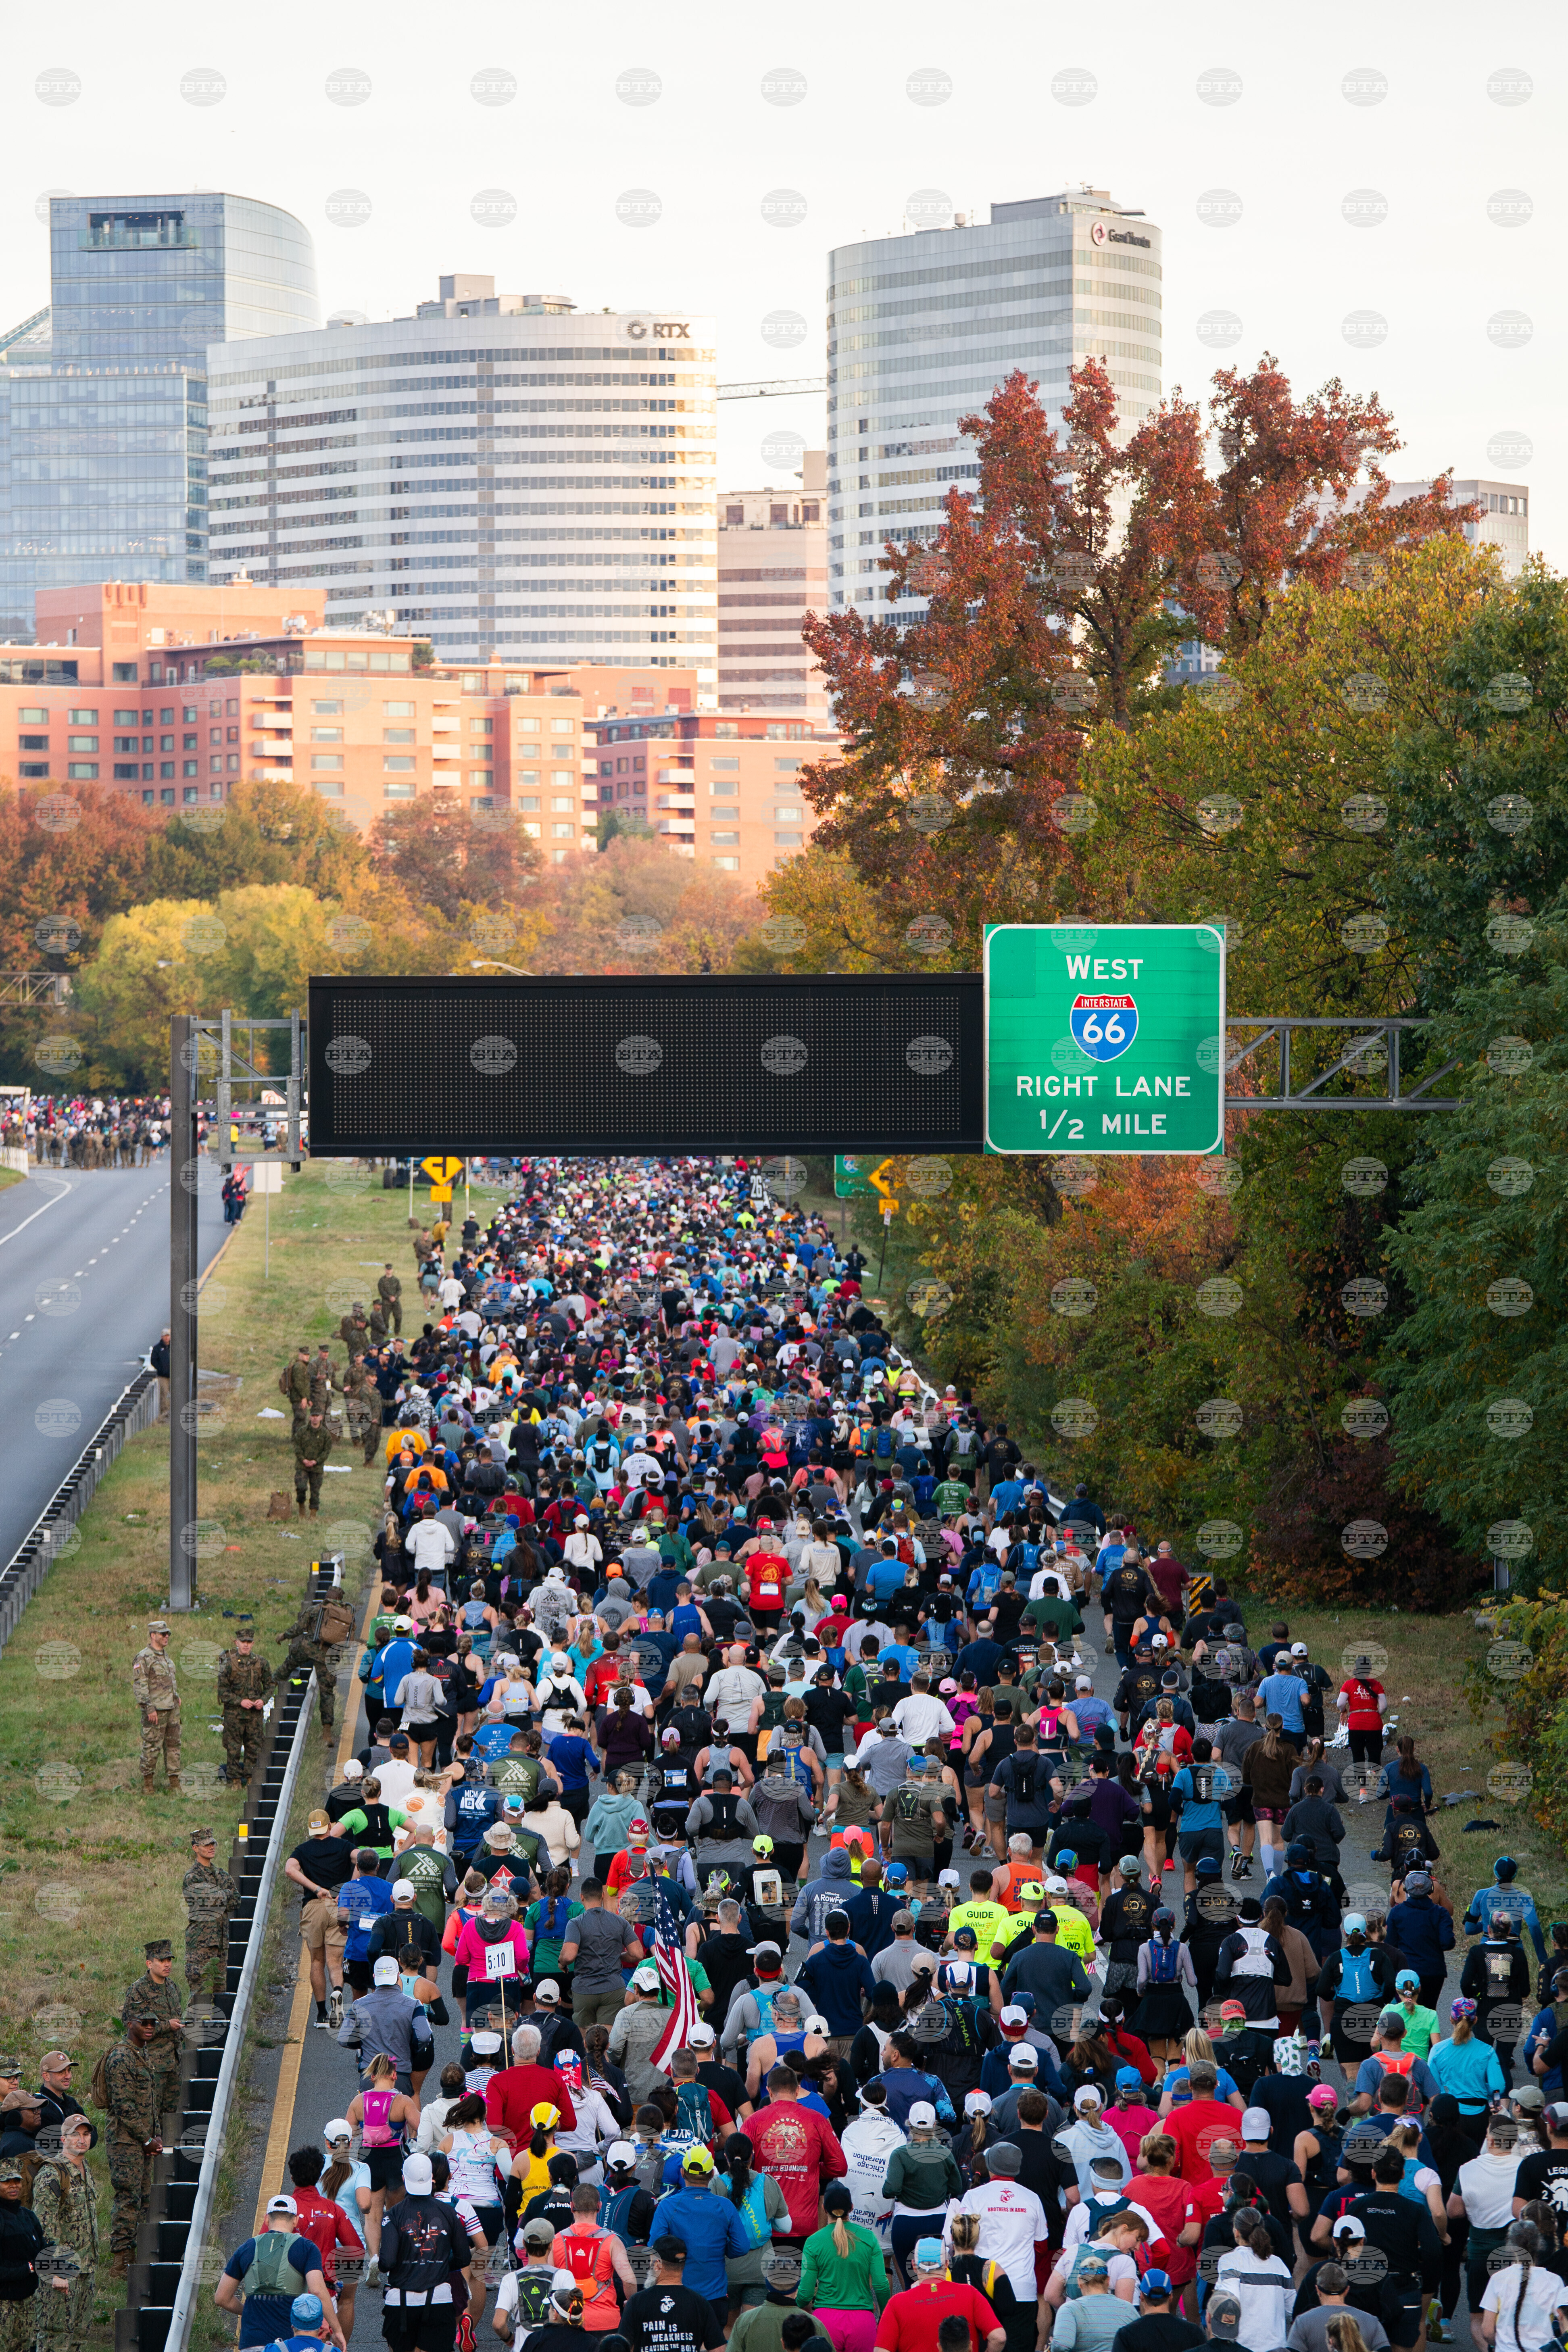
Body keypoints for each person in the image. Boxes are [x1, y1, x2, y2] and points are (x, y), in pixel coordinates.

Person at [377, 2150, 477, 2352]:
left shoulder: (393, 2215)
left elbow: (386, 2262)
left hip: (401, 2301)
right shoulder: (449, 2212)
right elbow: (464, 2257)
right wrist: (440, 2263)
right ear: (432, 2179)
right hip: (439, 2297)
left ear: (404, 2179)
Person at [215, 2196, 343, 2350]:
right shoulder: (307, 2248)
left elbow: (222, 2297)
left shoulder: (247, 2248)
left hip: (253, 2340)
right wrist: (337, 2330)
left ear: (267, 2219)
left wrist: (248, 2312)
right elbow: (318, 2291)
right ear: (296, 2221)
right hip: (288, 2343)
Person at [798, 2178, 892, 2352]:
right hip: (863, 2322)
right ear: (851, 2208)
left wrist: (802, 2306)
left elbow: (805, 2292)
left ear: (824, 2208)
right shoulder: (869, 2239)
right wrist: (885, 2315)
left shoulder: (813, 2242)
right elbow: (881, 2284)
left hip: (825, 2320)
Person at [31, 2113, 98, 2352]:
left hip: (86, 2269)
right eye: (75, 2135)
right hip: (62, 2273)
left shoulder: (85, 2169)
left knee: (79, 2338)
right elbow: (43, 2225)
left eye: (86, 2134)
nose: (82, 2140)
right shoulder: (52, 2173)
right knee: (54, 2338)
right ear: (63, 2139)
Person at [874, 2237, 1004, 2352]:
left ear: (914, 2265)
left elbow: (881, 2350)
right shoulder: (970, 2293)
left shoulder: (897, 2303)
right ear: (947, 2264)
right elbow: (999, 2338)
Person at [621, 2236, 726, 2352]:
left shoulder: (637, 2302)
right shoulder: (700, 2303)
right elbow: (719, 2349)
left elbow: (623, 2347)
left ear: (657, 2265)